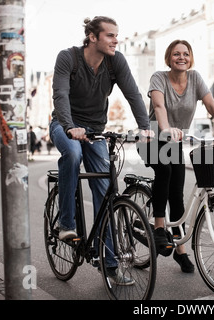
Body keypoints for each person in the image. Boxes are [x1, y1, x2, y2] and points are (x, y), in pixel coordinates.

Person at [50, 16, 151, 283]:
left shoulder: (115, 61)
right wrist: (71, 126)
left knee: (105, 190)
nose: (116, 40)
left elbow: (134, 94)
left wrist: (145, 127)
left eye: (117, 35)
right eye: (110, 35)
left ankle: (109, 264)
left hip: (95, 131)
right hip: (64, 124)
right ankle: (67, 225)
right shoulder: (68, 58)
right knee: (72, 154)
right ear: (93, 37)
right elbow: (60, 95)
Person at [142, 40, 214, 273]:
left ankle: (181, 251)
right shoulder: (158, 78)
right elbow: (159, 107)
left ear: (190, 57)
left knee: (177, 193)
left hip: (173, 140)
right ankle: (158, 228)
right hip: (152, 137)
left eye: (186, 54)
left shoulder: (195, 78)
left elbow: (211, 105)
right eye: (176, 54)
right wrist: (165, 129)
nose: (181, 57)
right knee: (164, 170)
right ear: (169, 57)